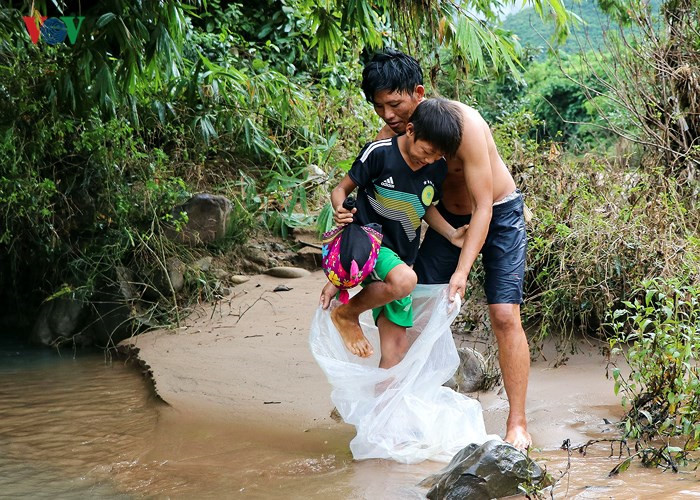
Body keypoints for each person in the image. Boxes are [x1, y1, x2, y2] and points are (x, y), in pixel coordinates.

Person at [322, 49, 532, 450]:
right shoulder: (395, 139)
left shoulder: (462, 125)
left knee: (504, 315)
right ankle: (393, 412)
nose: (387, 114)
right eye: (379, 106)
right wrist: (338, 275)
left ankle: (517, 423)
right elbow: (366, 208)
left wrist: (462, 270)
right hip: (444, 224)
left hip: (497, 213)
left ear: (417, 93)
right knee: (409, 315)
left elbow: (484, 205)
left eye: (395, 104)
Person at [325, 98, 467, 369]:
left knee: (396, 351)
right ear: (410, 130)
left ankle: (379, 411)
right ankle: (347, 314)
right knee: (405, 281)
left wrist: (451, 234)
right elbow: (340, 190)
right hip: (369, 245)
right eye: (427, 151)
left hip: (401, 258)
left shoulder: (435, 168)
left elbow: (422, 207)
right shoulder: (379, 153)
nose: (429, 159)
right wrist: (339, 207)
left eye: (437, 156)